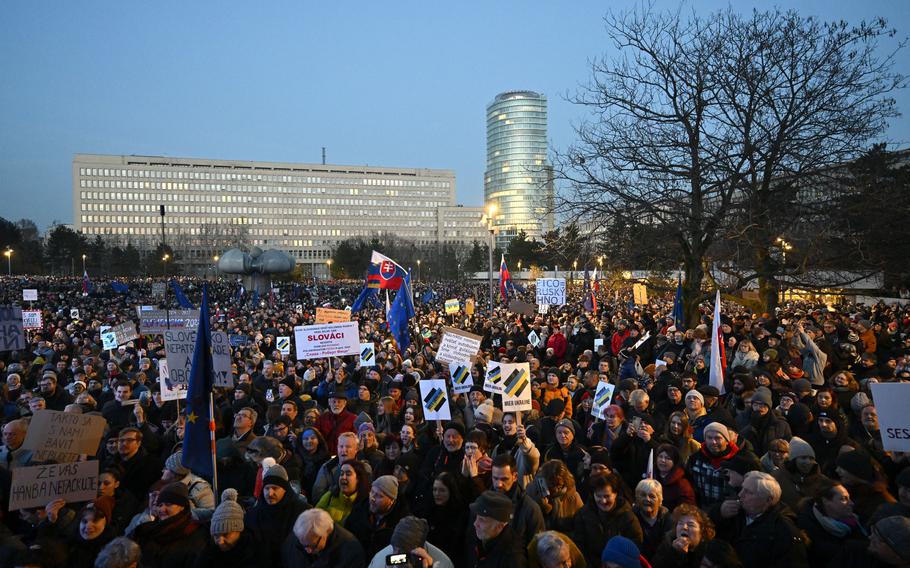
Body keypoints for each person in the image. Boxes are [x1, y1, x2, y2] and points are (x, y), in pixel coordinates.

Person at [710, 471, 808, 568]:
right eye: (742, 488)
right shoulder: (734, 510)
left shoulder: (784, 530)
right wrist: (719, 513)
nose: (740, 494)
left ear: (768, 500)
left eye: (748, 492)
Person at [243, 462, 309, 565]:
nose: (270, 493)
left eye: (275, 488)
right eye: (266, 488)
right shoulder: (253, 515)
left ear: (285, 490)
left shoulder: (302, 512)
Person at [573, 472, 643, 567]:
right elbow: (579, 546)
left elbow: (635, 545)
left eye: (607, 496)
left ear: (615, 494)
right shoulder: (583, 515)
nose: (603, 501)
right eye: (598, 496)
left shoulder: (627, 516)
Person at [130, 482, 208, 568]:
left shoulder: (195, 534)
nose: (162, 509)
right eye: (160, 505)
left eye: (168, 504)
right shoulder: (145, 530)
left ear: (182, 507)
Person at [796, 480, 868, 566]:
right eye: (844, 499)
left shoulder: (856, 519)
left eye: (849, 498)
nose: (851, 503)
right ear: (826, 501)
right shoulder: (811, 529)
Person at [345, 475, 410, 559]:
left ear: (391, 501)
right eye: (372, 492)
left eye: (379, 496)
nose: (373, 498)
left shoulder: (401, 523)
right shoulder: (359, 510)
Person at [192, 489, 260, 568]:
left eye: (225, 534)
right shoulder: (208, 552)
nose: (220, 542)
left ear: (239, 530)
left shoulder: (253, 552)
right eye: (216, 536)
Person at [489, 453, 545, 549]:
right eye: (495, 478)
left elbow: (537, 547)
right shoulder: (484, 502)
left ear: (515, 476)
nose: (498, 484)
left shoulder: (530, 508)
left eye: (504, 479)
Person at [282, 508, 366, 567]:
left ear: (328, 531)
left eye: (313, 546)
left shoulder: (351, 551)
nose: (308, 551)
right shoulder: (297, 537)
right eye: (303, 545)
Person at [416, 471, 469, 566]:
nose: (437, 494)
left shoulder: (460, 515)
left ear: (451, 491)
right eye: (435, 489)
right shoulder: (427, 510)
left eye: (442, 490)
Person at [465, 490, 527, 568]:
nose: (475, 524)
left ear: (500, 526)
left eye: (482, 520)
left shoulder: (512, 559)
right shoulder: (477, 536)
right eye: (476, 517)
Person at [367, 516, 455, 568]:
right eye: (394, 548)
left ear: (418, 550)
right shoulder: (380, 560)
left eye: (402, 551)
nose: (395, 555)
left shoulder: (443, 563)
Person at [651, 503, 715, 568]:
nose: (684, 527)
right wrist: (674, 553)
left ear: (702, 531)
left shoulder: (709, 551)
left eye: (690, 525)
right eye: (680, 523)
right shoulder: (668, 543)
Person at [633, 479, 674, 560]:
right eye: (643, 495)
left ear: (660, 500)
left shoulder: (668, 519)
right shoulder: (631, 517)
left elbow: (667, 549)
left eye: (652, 496)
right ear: (637, 498)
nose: (647, 499)